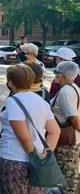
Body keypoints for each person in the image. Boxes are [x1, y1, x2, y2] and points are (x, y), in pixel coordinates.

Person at [0, 64, 60, 194]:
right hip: (38, 161)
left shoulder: (13, 101)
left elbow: (24, 136)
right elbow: (55, 131)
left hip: (14, 160)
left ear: (10, 82)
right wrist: (45, 154)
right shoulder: (41, 101)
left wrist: (34, 156)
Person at [51, 61, 80, 194]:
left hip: (68, 142)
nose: (55, 76)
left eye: (56, 73)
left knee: (68, 175)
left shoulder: (66, 91)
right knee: (68, 172)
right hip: (69, 140)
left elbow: (74, 118)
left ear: (61, 75)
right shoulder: (73, 87)